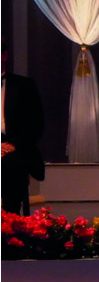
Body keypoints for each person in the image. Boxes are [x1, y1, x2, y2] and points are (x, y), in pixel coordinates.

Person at [1, 41, 45, 215]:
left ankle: (10, 222)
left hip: (14, 146)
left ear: (4, 56)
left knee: (12, 164)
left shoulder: (23, 85)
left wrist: (12, 145)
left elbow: (35, 123)